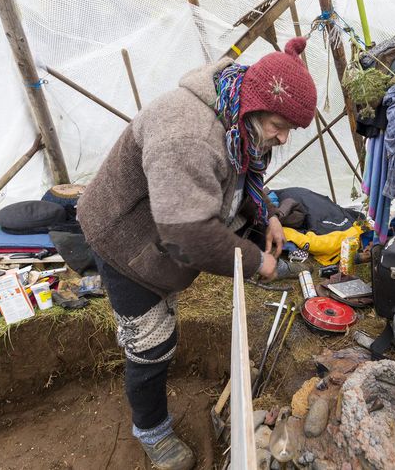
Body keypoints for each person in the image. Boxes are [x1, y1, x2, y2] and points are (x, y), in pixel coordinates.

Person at [77, 37, 317, 470]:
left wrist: (269, 218)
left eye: (290, 130)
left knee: (161, 303)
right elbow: (187, 235)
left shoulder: (236, 114)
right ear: (256, 102)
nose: (282, 138)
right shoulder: (187, 134)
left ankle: (134, 309)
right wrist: (256, 261)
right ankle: (151, 430)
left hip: (162, 228)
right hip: (124, 240)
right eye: (280, 125)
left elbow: (245, 173)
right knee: (151, 342)